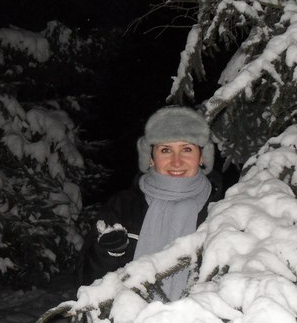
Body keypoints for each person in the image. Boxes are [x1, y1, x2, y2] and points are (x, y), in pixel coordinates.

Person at [79, 106, 221, 301]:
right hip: (132, 317)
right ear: (151, 159)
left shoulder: (221, 208)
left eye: (187, 149)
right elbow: (86, 285)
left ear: (202, 156)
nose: (177, 162)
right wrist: (109, 254)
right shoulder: (123, 207)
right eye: (165, 150)